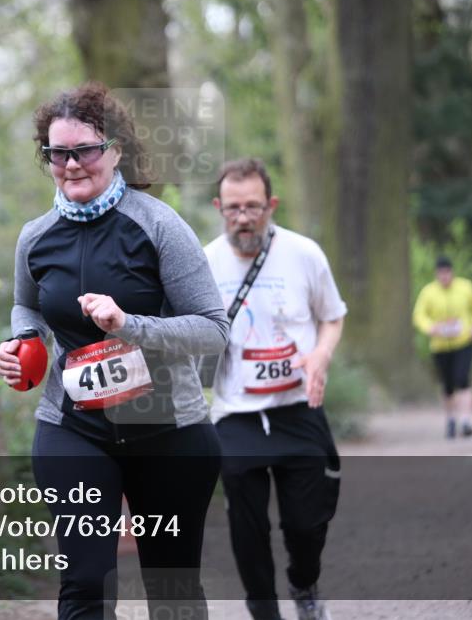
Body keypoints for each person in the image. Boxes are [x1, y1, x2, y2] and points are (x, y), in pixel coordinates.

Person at [0, 82, 228, 620]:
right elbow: (26, 306)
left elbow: (213, 330)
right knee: (84, 584)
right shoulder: (36, 237)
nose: (72, 164)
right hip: (73, 428)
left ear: (116, 151)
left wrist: (129, 325)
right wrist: (21, 343)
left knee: (172, 590)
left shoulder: (158, 225)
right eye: (58, 153)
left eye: (85, 150)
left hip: (168, 431)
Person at [203, 158, 345, 620]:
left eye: (253, 207)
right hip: (235, 414)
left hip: (298, 406)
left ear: (272, 205)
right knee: (247, 528)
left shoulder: (304, 254)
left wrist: (321, 355)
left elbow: (332, 316)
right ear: (218, 207)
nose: (243, 218)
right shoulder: (205, 263)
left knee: (307, 524)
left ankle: (304, 583)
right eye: (233, 208)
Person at [412, 257, 472, 438]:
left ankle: (465, 421)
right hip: (440, 345)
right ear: (436, 274)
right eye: (441, 274)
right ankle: (451, 419)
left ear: (452, 272)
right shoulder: (428, 292)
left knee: (463, 379)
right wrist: (430, 328)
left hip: (464, 341)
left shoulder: (466, 287)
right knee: (448, 385)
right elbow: (419, 315)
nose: (444, 277)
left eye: (447, 273)